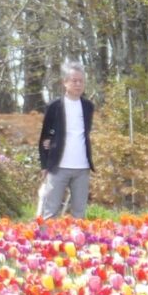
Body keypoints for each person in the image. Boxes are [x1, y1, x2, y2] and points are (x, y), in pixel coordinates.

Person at [36, 64, 97, 220]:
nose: (78, 84)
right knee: (50, 212)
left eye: (81, 81)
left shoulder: (88, 106)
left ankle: (77, 243)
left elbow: (85, 133)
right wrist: (44, 165)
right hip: (58, 167)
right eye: (74, 81)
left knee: (79, 214)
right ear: (65, 82)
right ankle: (46, 243)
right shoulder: (54, 106)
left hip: (82, 168)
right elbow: (44, 137)